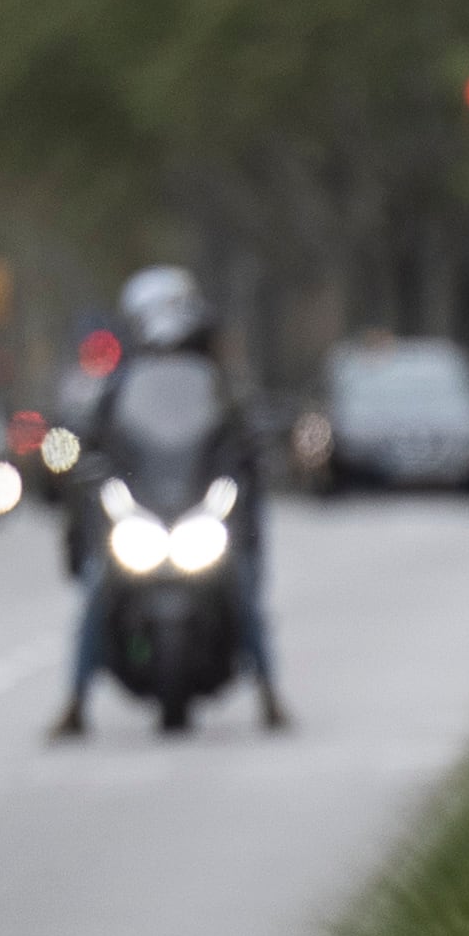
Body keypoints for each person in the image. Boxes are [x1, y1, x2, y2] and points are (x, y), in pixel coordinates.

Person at [51, 264, 289, 737]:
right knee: (98, 588)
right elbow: (92, 440)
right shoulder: (120, 387)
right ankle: (75, 703)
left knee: (241, 582)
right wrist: (85, 463)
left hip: (197, 510)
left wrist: (248, 460)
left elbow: (242, 439)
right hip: (144, 511)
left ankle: (269, 692)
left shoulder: (217, 384)